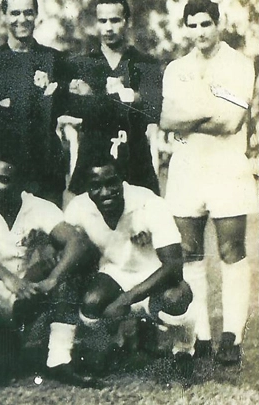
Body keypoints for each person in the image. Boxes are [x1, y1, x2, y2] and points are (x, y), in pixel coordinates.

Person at [0, 138, 97, 392]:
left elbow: (77, 242)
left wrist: (52, 278)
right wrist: (7, 277)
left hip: (23, 297)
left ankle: (59, 360)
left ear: (23, 185)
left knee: (66, 269)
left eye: (3, 180)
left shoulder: (38, 207)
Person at [160, 0, 256, 364]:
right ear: (186, 28)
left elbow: (231, 123)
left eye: (206, 24)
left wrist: (191, 114)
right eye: (193, 25)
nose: (200, 31)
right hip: (187, 165)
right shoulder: (176, 68)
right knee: (189, 252)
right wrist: (210, 109)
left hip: (226, 165)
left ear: (219, 24)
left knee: (231, 251)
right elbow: (167, 119)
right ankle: (199, 335)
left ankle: (231, 336)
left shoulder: (239, 65)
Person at [65, 149, 196, 381]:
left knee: (176, 297)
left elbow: (173, 265)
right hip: (115, 275)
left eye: (111, 183)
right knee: (91, 301)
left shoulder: (149, 203)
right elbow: (67, 251)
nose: (105, 192)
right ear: (86, 187)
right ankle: (110, 345)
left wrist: (125, 299)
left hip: (155, 276)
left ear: (122, 179)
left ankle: (184, 348)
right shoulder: (78, 207)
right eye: (96, 185)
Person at [0, 0, 68, 206]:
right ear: (4, 16)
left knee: (48, 231)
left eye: (28, 12)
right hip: (3, 163)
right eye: (15, 13)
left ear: (36, 14)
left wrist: (11, 102)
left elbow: (62, 106)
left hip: (46, 164)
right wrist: (37, 98)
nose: (22, 19)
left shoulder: (54, 59)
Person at [67, 0, 162, 195]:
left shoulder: (144, 63)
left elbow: (153, 108)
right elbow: (75, 107)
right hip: (93, 155)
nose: (108, 28)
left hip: (135, 158)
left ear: (126, 22)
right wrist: (130, 97)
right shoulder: (81, 64)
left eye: (115, 20)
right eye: (103, 21)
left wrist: (94, 96)